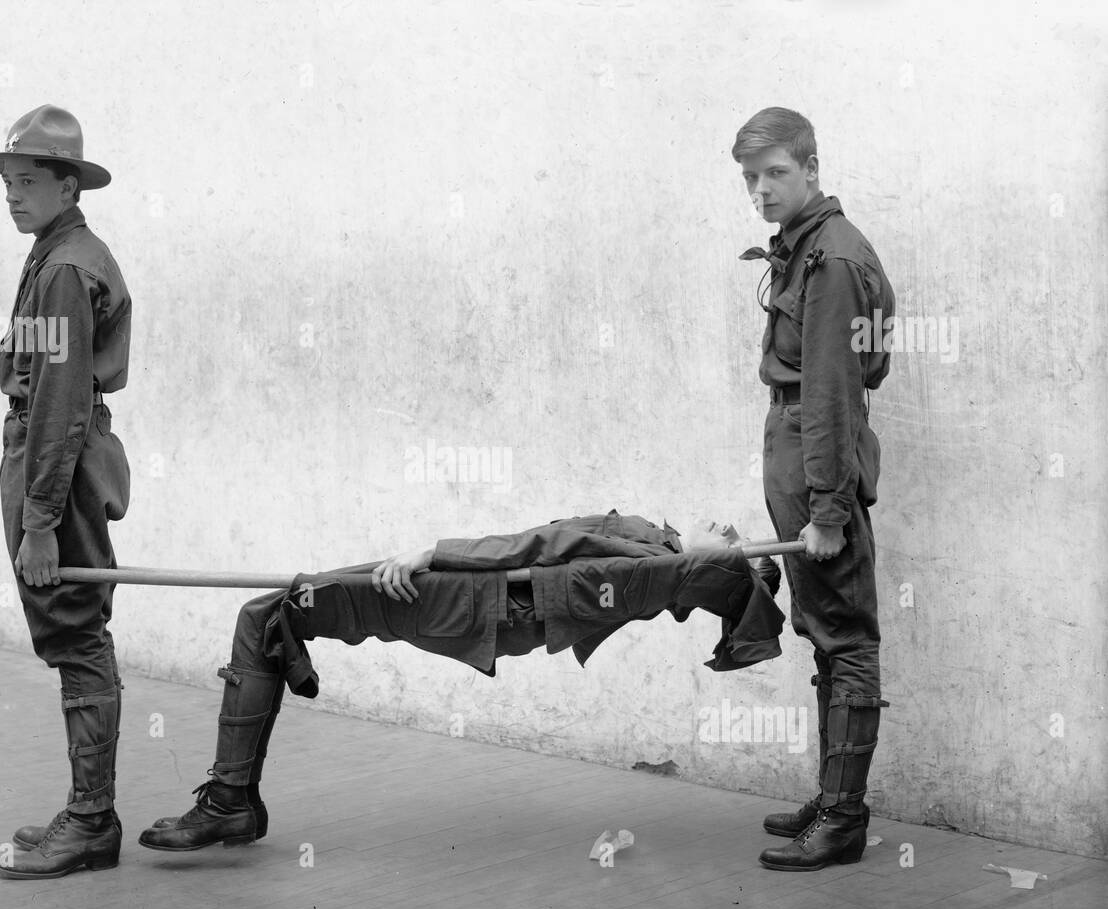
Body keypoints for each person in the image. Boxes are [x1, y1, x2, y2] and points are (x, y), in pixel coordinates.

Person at [137, 512, 784, 852]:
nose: (731, 527)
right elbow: (546, 539)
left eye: (739, 541)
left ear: (724, 570)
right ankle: (234, 799)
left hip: (467, 596)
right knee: (274, 611)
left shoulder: (665, 568)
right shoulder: (657, 547)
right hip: (468, 589)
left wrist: (435, 553)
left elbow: (536, 546)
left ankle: (229, 803)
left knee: (271, 612)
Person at [0, 105, 133, 879]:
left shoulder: (67, 266)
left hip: (56, 464)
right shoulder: (52, 251)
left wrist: (40, 520)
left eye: (28, 179)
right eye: (8, 179)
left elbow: (63, 402)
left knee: (77, 633)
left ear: (69, 185)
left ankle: (93, 821)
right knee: (70, 634)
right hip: (44, 452)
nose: (11, 192)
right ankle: (84, 810)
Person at [732, 107, 894, 870]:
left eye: (776, 174)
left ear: (812, 168)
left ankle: (844, 818)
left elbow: (834, 387)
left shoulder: (831, 258)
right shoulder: (804, 248)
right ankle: (831, 796)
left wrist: (829, 507)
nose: (761, 191)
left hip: (815, 455)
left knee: (847, 640)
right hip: (798, 457)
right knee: (823, 633)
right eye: (751, 178)